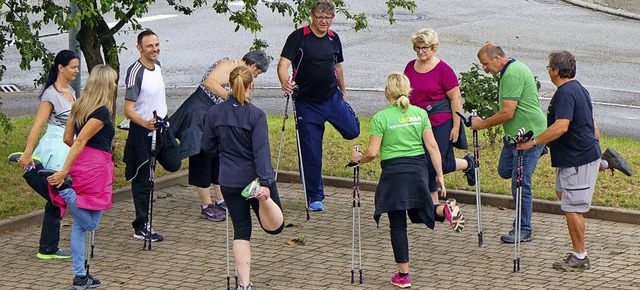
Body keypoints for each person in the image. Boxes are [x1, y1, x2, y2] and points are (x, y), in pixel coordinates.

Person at [350, 73, 464, 288]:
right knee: (419, 211)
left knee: (398, 226)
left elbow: (372, 152)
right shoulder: (420, 114)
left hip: (394, 174)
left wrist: (358, 159)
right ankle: (443, 210)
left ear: (386, 92)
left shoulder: (381, 117)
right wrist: (439, 175)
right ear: (408, 90)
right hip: (418, 170)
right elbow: (432, 146)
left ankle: (403, 276)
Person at [201, 66, 284, 290]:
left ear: (229, 84)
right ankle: (264, 199)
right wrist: (265, 184)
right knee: (276, 227)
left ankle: (244, 284)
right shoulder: (256, 115)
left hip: (229, 181)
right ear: (251, 86)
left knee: (241, 231)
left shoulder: (214, 113)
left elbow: (207, 147)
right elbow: (261, 152)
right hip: (254, 180)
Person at [516, 51, 600, 271]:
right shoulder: (579, 88)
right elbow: (591, 121)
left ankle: (580, 257)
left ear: (555, 70)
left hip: (577, 159)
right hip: (576, 157)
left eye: (548, 68)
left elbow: (561, 126)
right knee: (564, 196)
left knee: (573, 207)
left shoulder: (565, 93)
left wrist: (532, 143)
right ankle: (603, 162)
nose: (548, 71)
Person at [277, 0, 360, 212]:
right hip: (306, 103)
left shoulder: (334, 38)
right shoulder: (299, 37)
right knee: (311, 152)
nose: (324, 21)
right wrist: (284, 81)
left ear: (332, 19)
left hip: (332, 97)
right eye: (320, 17)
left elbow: (338, 66)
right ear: (312, 16)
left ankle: (346, 112)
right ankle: (314, 196)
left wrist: (344, 92)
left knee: (353, 131)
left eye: (328, 18)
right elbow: (283, 64)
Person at [170, 51, 269, 222]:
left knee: (217, 155)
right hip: (199, 114)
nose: (255, 77)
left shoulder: (238, 72)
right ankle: (206, 205)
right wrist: (231, 98)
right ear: (253, 66)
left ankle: (221, 199)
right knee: (201, 156)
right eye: (257, 74)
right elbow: (209, 83)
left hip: (214, 115)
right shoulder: (229, 65)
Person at [44, 64, 118, 289]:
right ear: (106, 84)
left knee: (79, 226)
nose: (115, 85)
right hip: (95, 168)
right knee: (91, 223)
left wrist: (76, 160)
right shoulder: (102, 111)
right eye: (113, 81)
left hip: (82, 163)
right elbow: (80, 140)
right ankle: (64, 190)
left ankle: (80, 276)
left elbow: (68, 138)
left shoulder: (78, 105)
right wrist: (64, 173)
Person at [471, 43, 547, 243]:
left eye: (486, 64)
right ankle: (541, 150)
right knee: (505, 170)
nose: (485, 69)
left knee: (520, 183)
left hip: (529, 137)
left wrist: (481, 125)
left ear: (497, 58)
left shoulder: (512, 74)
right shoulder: (509, 70)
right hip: (514, 137)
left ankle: (524, 228)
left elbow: (507, 112)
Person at [8, 50, 79, 260]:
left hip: (67, 144)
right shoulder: (51, 95)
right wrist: (29, 152)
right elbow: (37, 125)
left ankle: (47, 248)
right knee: (59, 195)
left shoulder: (71, 91)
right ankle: (30, 168)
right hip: (55, 146)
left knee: (56, 200)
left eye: (77, 67)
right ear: (61, 68)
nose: (76, 71)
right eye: (73, 67)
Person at [403, 28, 476, 213]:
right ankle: (433, 204)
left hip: (441, 120)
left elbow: (455, 99)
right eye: (417, 48)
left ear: (434, 47)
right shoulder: (410, 67)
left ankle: (467, 164)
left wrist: (456, 127)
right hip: (417, 120)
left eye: (424, 48)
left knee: (437, 163)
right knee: (423, 161)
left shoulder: (444, 70)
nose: (420, 51)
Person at [123, 29, 181, 242]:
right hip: (143, 131)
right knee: (143, 179)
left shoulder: (157, 67)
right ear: (139, 48)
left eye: (157, 44)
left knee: (174, 163)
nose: (155, 49)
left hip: (163, 127)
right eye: (149, 46)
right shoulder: (135, 71)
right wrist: (144, 123)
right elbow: (128, 109)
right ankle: (141, 225)